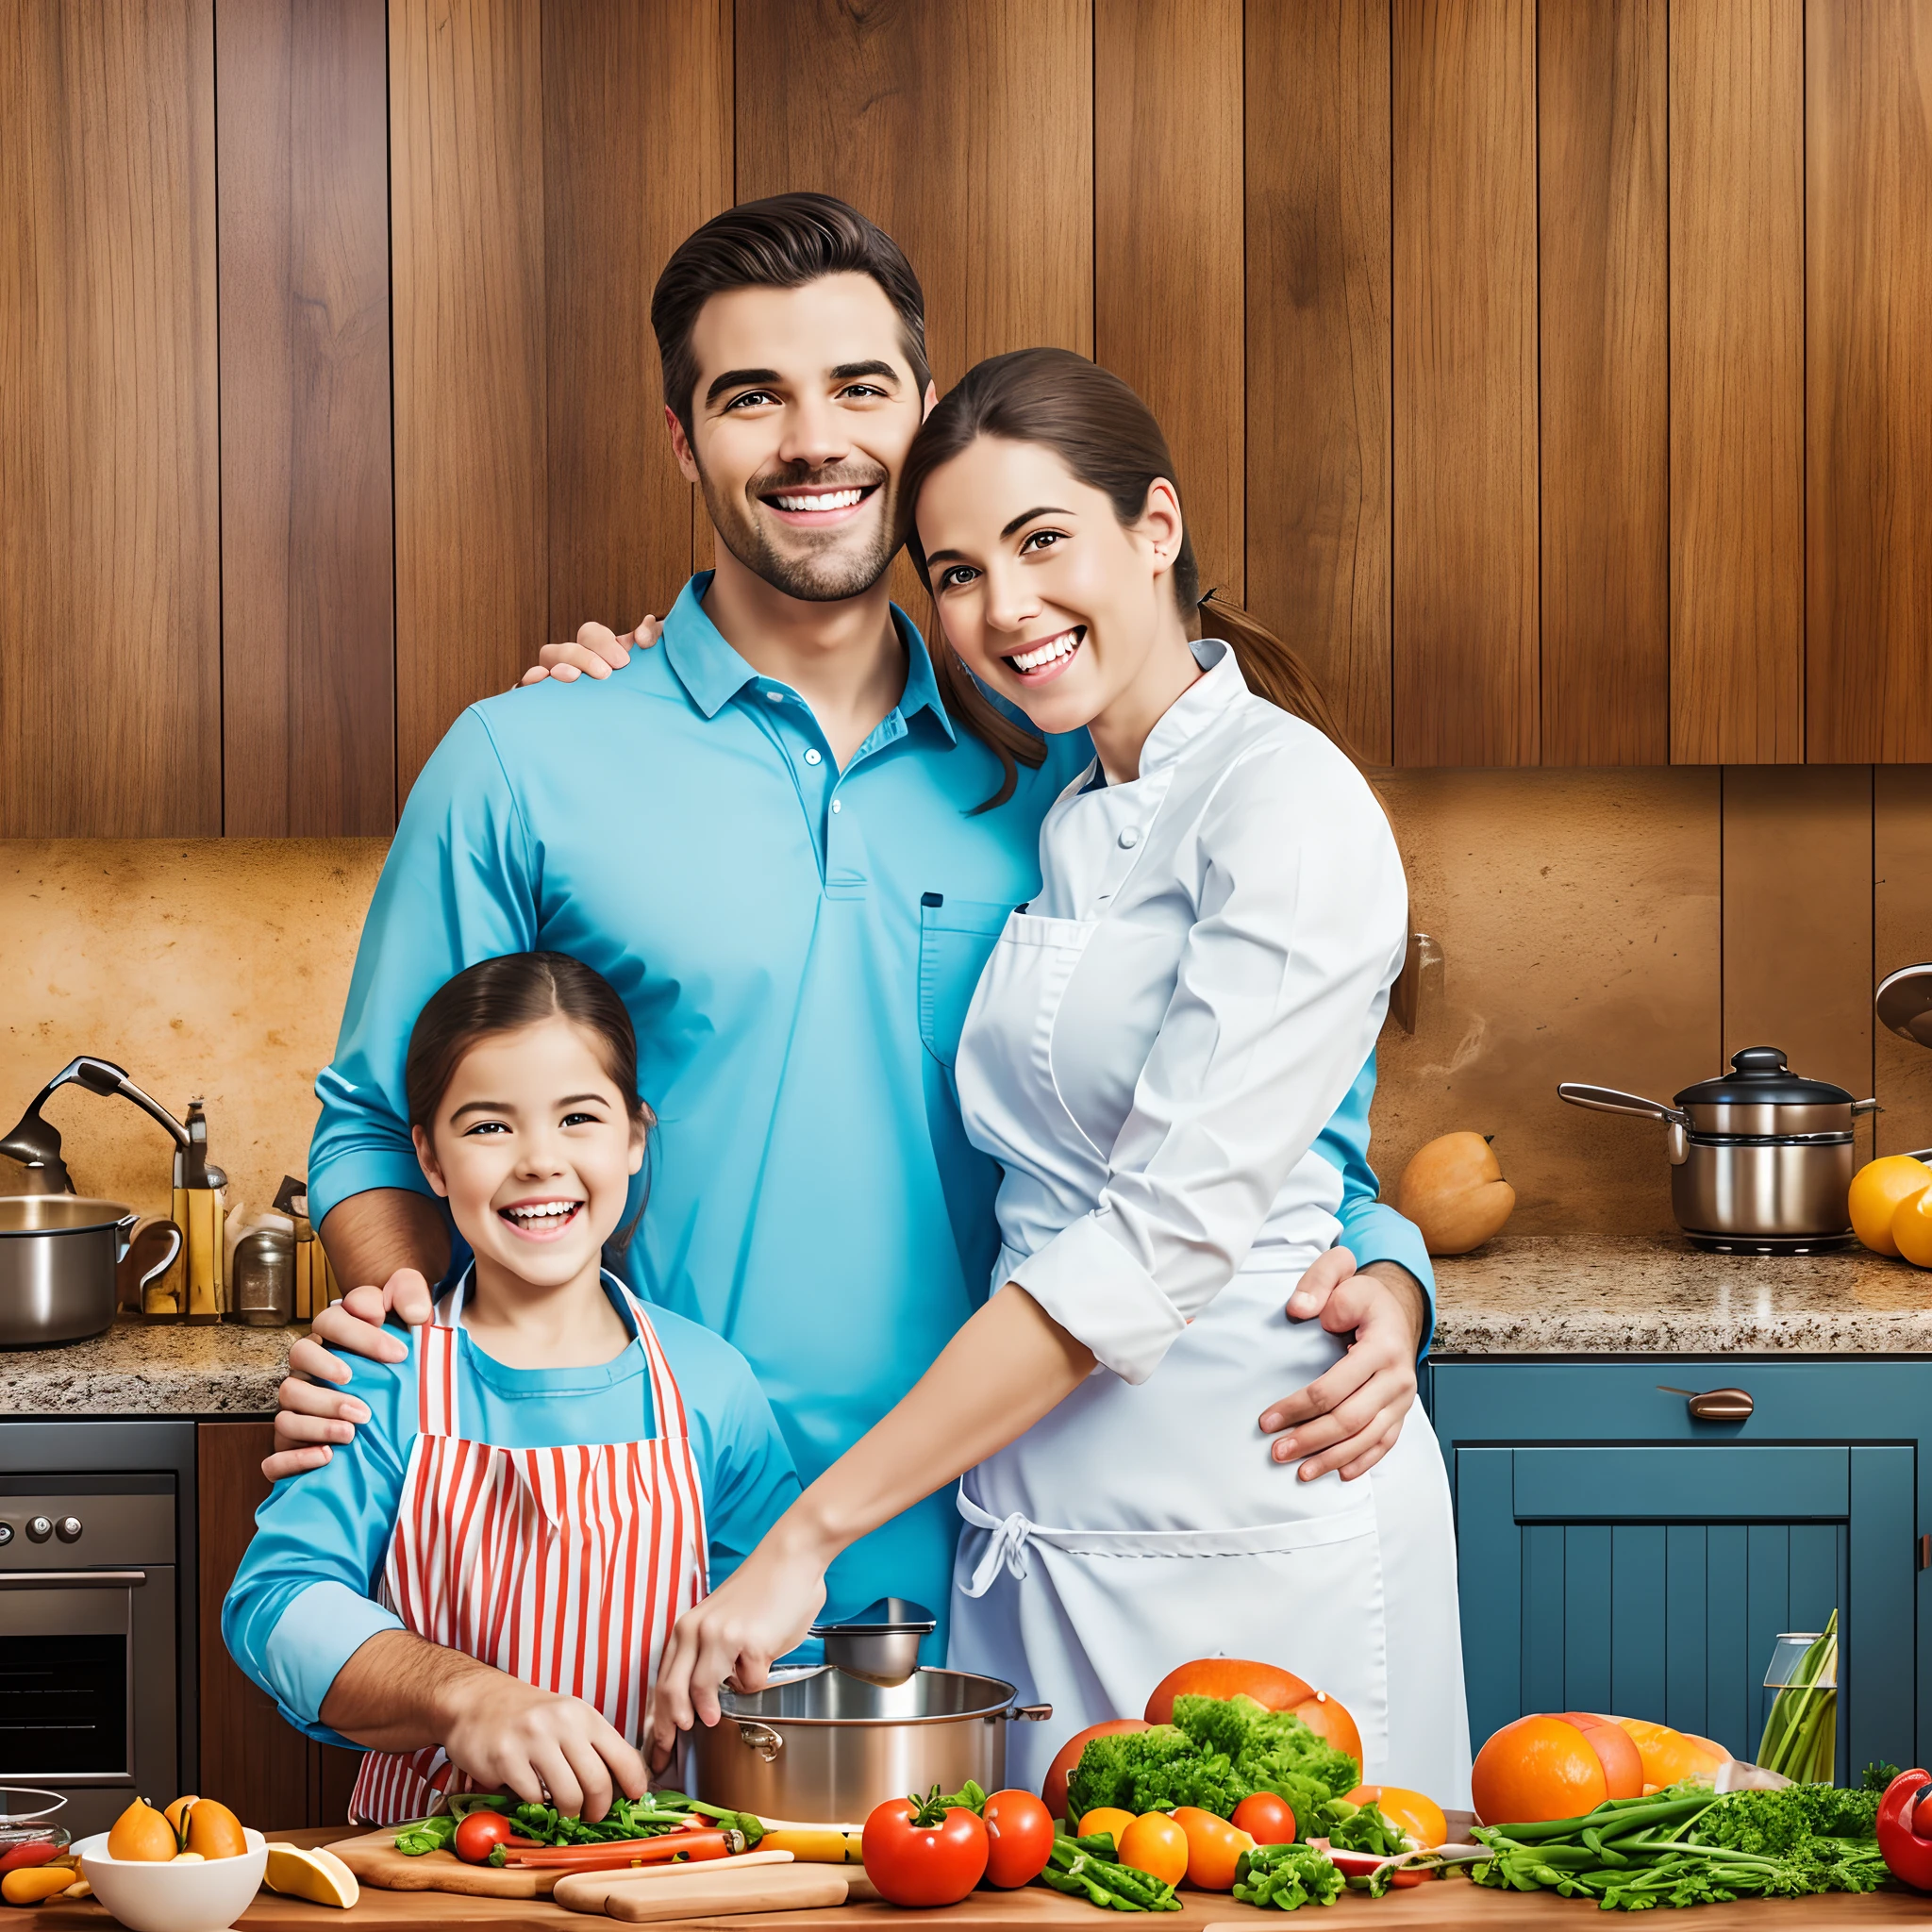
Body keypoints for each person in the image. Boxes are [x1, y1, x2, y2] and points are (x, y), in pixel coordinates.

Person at [264, 194, 1436, 1664]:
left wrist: (1391, 1278)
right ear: (687, 441)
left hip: (1020, 1544)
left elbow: (1262, 1125)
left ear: (924, 417)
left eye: (860, 389)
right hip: (648, 1555)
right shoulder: (527, 761)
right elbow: (379, 1129)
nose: (813, 441)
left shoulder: (1067, 762)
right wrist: (401, 1362)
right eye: (753, 397)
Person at [640, 350, 1472, 1807]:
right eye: (955, 571)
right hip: (1033, 1529)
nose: (1002, 609)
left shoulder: (1290, 805)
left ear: (1155, 528)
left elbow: (1159, 1241)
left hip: (1252, 1515)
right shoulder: (1069, 801)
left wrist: (807, 1540)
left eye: (1042, 542)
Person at [224, 953, 800, 1823]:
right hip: (431, 1861)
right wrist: (467, 1696)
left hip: (667, 1867)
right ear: (430, 1157)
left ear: (635, 1137)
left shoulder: (710, 1382)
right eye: (489, 1127)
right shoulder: (383, 1376)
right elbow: (275, 1608)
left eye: (578, 1117)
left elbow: (771, 1631)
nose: (538, 1161)